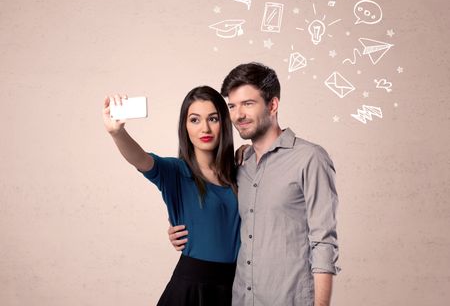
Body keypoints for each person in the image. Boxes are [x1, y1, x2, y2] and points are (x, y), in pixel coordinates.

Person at [169, 62, 340, 306]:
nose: (238, 115)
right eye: (232, 106)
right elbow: (222, 216)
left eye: (248, 104)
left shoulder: (309, 158)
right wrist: (181, 231)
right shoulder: (240, 166)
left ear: (273, 105)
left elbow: (324, 243)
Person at [103, 86, 241, 306]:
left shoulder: (241, 173)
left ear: (223, 123)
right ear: (185, 127)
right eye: (195, 120)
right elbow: (140, 159)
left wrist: (250, 152)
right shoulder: (176, 172)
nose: (205, 128)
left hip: (236, 287)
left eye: (213, 119)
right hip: (191, 289)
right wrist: (117, 133)